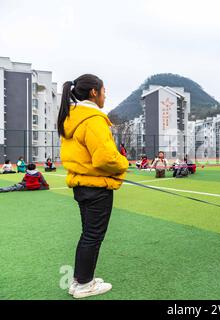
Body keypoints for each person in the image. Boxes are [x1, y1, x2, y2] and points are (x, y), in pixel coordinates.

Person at [57, 74, 129, 299]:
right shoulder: (93, 118)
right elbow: (106, 158)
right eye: (104, 91)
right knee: (93, 236)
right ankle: (84, 284)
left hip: (82, 185)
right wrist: (123, 164)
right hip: (97, 187)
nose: (105, 95)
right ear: (94, 92)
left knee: (88, 234)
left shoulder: (72, 117)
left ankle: (81, 281)